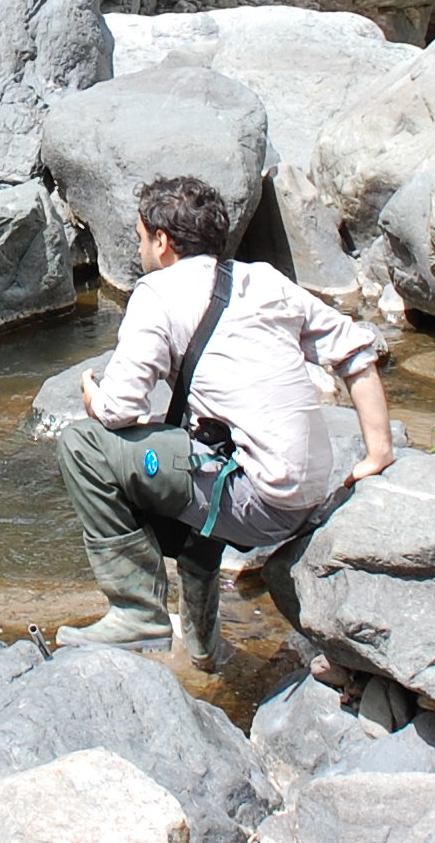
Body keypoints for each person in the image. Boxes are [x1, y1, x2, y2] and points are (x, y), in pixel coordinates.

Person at [54, 173, 399, 669]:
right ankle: (203, 648)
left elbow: (119, 410)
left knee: (83, 447)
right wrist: (378, 453)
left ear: (163, 241)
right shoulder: (263, 279)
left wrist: (93, 395)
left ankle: (136, 615)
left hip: (257, 502)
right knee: (200, 443)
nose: (141, 249)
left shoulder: (157, 293)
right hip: (305, 493)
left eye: (139, 237)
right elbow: (356, 352)